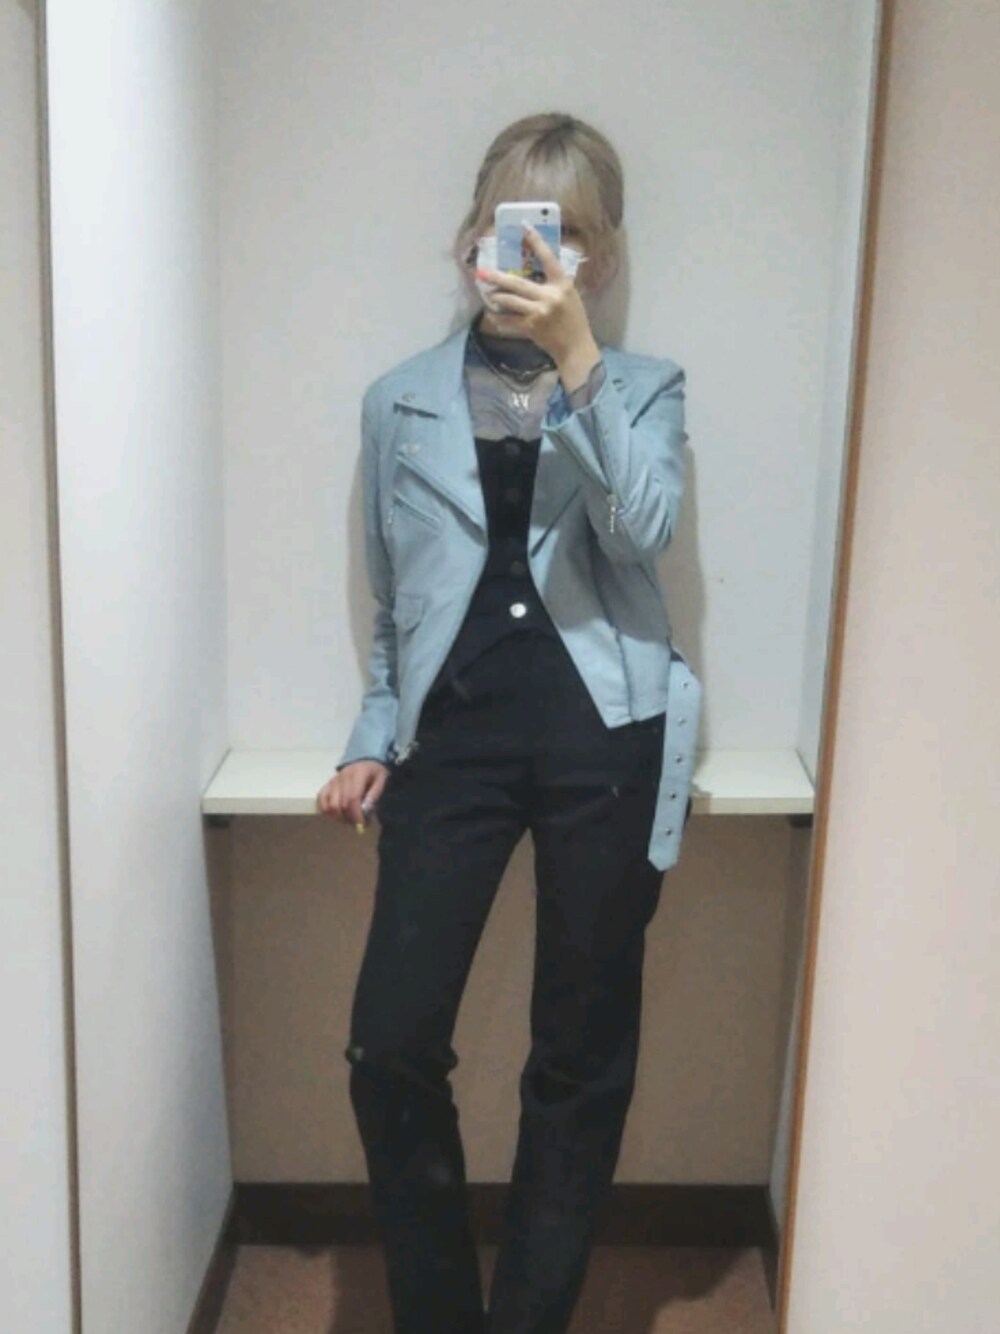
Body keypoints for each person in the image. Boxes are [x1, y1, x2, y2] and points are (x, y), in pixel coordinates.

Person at [316, 111, 702, 1334]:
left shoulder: (643, 388)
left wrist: (583, 365)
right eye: (511, 226)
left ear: (602, 256)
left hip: (608, 735)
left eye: (564, 235)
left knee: (578, 1055)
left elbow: (642, 536)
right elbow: (396, 606)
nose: (532, 255)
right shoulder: (399, 401)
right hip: (455, 738)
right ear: (468, 238)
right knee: (389, 1041)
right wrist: (370, 733)